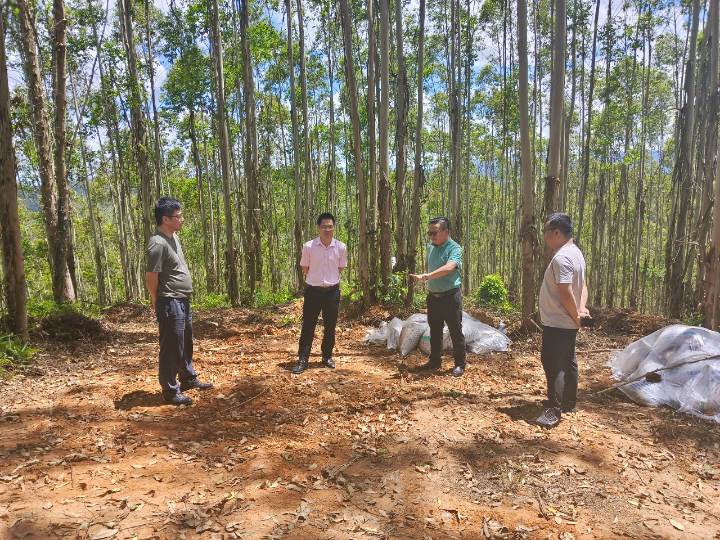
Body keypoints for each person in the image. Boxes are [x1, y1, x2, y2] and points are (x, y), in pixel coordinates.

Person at [146, 197, 213, 406]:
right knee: (172, 346)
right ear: (166, 219)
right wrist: (157, 300)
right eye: (178, 216)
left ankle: (188, 378)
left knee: (185, 342)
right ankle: (170, 390)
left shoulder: (173, 237)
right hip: (169, 301)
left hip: (182, 300)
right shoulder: (157, 244)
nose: (182, 219)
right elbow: (151, 277)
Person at [536, 213, 590, 429]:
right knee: (568, 361)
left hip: (559, 321)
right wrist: (581, 309)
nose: (545, 236)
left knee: (553, 364)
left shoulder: (562, 258)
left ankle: (554, 409)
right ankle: (569, 402)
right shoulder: (576, 253)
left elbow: (566, 292)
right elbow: (583, 285)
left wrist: (576, 315)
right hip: (566, 319)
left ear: (556, 232)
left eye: (546, 231)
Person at [409, 216, 466, 377]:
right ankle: (435, 360)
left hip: (450, 297)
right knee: (435, 330)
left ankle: (460, 364)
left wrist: (427, 276)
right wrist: (429, 276)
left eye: (435, 233)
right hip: (433, 297)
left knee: (455, 330)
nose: (432, 236)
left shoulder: (454, 248)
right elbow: (428, 264)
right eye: (430, 233)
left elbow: (449, 268)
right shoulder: (431, 248)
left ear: (446, 231)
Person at [293, 213, 347, 374]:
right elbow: (305, 268)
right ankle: (303, 359)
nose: (327, 229)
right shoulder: (309, 247)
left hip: (332, 292)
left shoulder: (340, 247)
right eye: (324, 226)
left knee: (330, 326)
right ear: (318, 227)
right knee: (308, 326)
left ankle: (326, 356)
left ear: (334, 228)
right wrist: (316, 279)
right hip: (313, 292)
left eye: (330, 226)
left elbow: (340, 268)